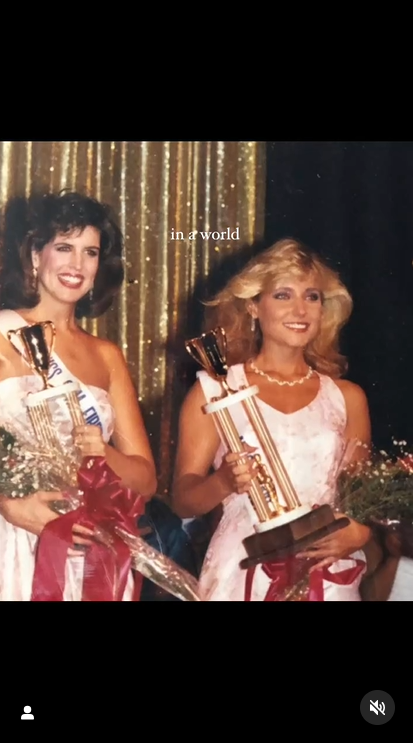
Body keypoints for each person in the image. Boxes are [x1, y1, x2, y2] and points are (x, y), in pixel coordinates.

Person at [173, 238, 379, 601]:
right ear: (253, 305)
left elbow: (358, 502)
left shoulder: (347, 397)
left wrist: (360, 533)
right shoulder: (216, 390)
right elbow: (184, 500)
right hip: (243, 570)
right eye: (283, 295)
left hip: (324, 574)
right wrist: (223, 482)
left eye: (312, 296)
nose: (300, 309)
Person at [0, 191, 157, 600]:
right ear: (35, 255)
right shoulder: (0, 334)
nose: (76, 265)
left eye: (90, 252)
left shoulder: (106, 356)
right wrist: (6, 504)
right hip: (12, 540)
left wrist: (105, 456)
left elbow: (145, 479)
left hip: (88, 549)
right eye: (64, 248)